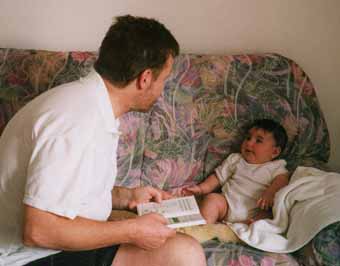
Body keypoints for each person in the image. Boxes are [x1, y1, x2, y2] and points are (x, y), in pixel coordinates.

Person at [0, 15, 206, 266]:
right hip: (26, 258)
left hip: (51, 249)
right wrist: (133, 230)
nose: (162, 89)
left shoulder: (91, 106)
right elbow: (38, 231)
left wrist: (127, 197)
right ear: (145, 78)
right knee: (184, 255)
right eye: (163, 80)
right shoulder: (74, 121)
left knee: (182, 250)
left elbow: (66, 190)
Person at [181, 119, 289, 225]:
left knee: (269, 213)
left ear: (275, 152)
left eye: (258, 141)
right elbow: (217, 177)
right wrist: (201, 188)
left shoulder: (275, 166)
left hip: (255, 211)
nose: (249, 143)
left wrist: (270, 192)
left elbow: (282, 180)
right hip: (227, 205)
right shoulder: (236, 159)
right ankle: (204, 228)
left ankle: (249, 226)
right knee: (212, 199)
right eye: (248, 138)